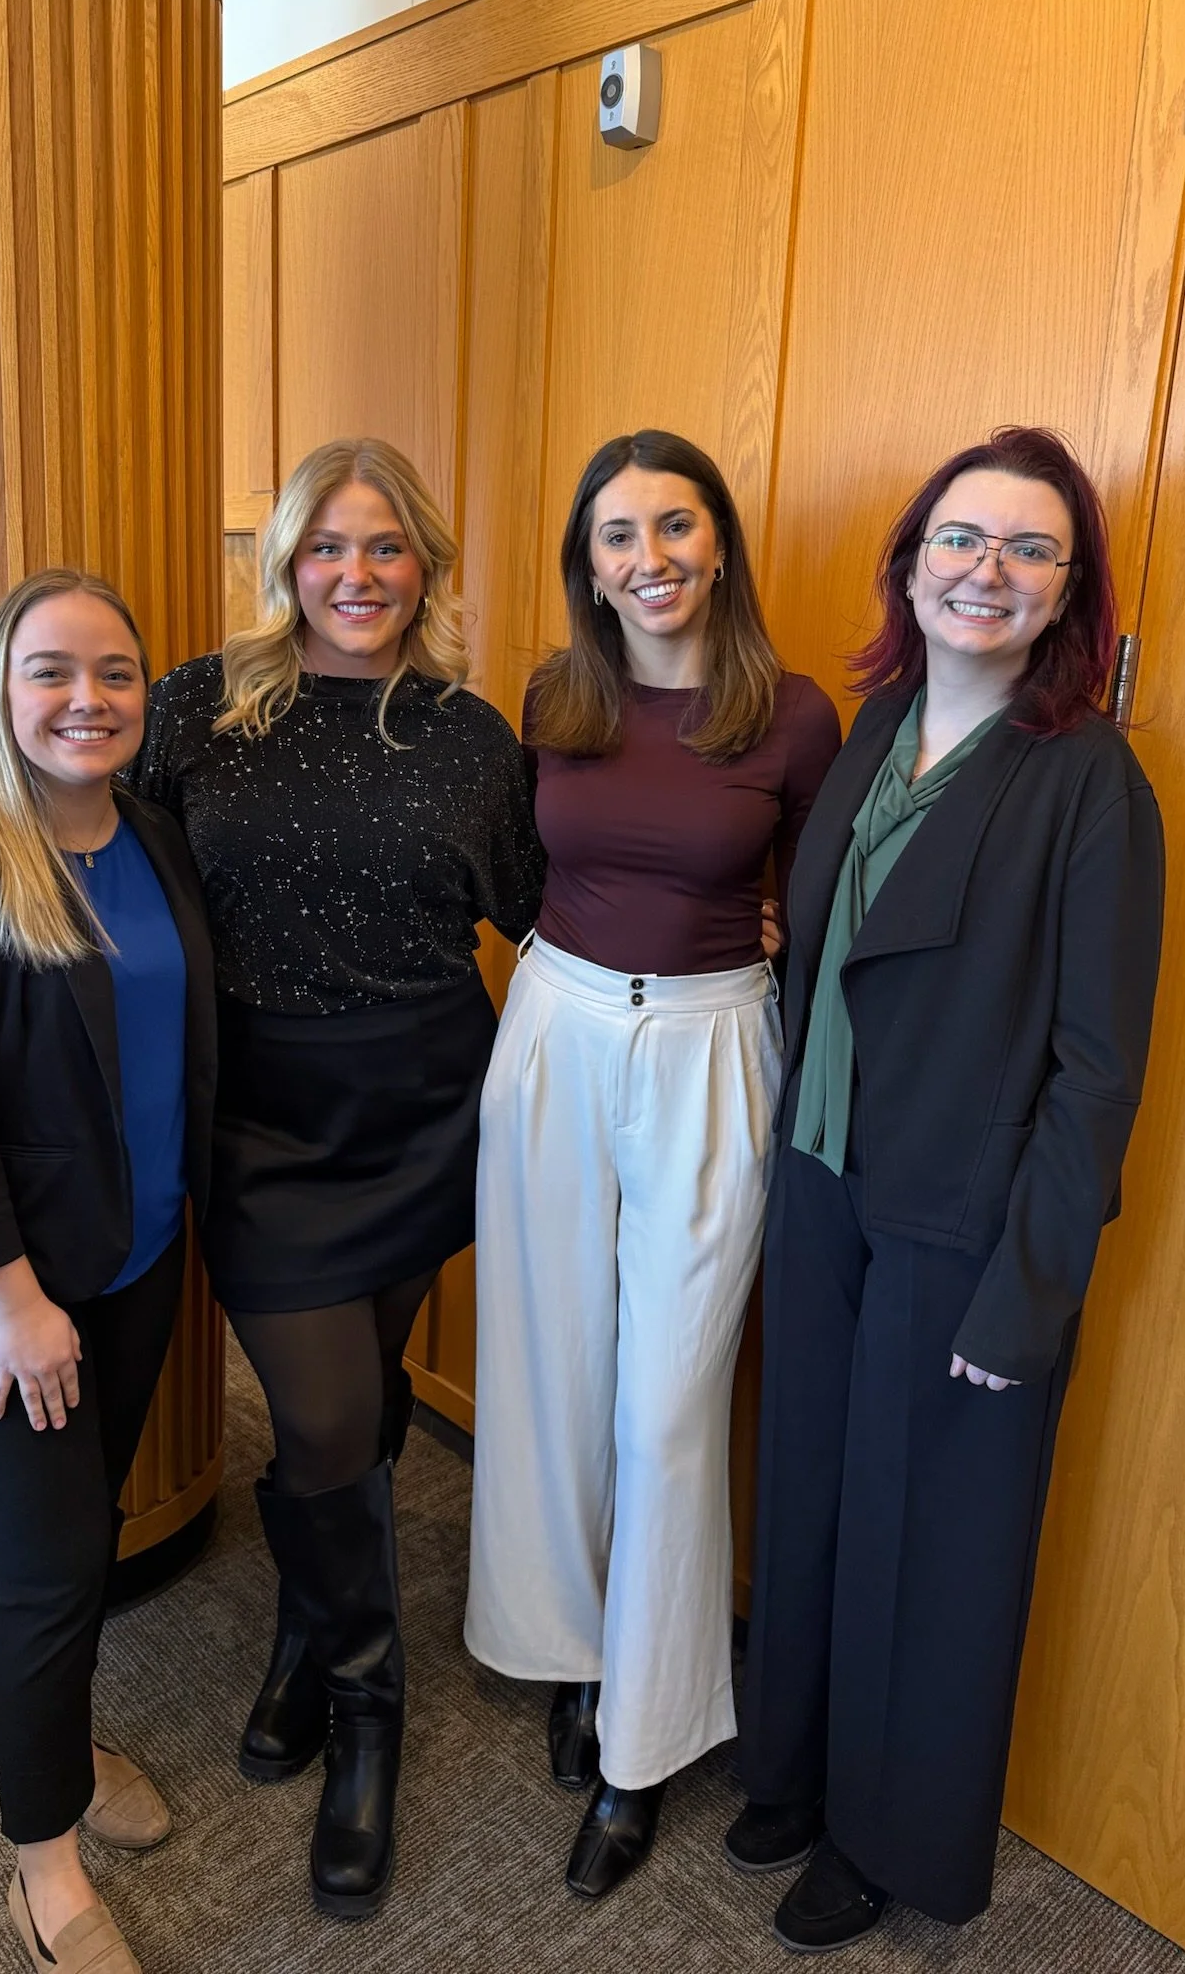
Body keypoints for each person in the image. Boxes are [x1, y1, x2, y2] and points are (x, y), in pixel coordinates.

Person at [728, 427, 1165, 1954]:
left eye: (1029, 549)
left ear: (1069, 596)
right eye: (961, 540)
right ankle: (788, 1768)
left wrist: (1031, 1285)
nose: (987, 570)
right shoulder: (876, 723)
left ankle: (885, 1838)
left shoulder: (1091, 784)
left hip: (958, 1228)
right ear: (912, 565)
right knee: (810, 1498)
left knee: (930, 1546)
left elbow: (1100, 1070)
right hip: (824, 1189)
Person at [129, 437, 543, 1919]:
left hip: (427, 1105)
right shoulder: (199, 706)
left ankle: (309, 1641)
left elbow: (543, 914)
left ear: (425, 565)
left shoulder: (472, 735)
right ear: (285, 561)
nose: (355, 578)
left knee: (353, 1424)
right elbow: (102, 864)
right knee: (321, 1415)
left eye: (385, 551)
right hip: (262, 1118)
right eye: (327, 550)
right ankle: (371, 1710)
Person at [465, 428, 842, 1900]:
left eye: (674, 526)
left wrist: (756, 946)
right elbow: (521, 867)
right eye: (617, 536)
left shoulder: (794, 716)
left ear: (720, 541)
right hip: (556, 1031)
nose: (650, 559)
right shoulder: (556, 696)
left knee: (671, 1405)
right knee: (553, 1365)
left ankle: (643, 1743)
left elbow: (812, 911)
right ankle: (573, 1651)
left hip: (707, 1050)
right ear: (589, 565)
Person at [0, 570, 216, 1974]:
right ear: (2, 691)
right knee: (52, 1556)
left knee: (87, 1531)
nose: (88, 699)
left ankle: (62, 1739)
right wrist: (16, 1306)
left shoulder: (157, 843)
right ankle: (42, 1869)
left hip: (131, 1260)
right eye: (53, 671)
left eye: (116, 672)